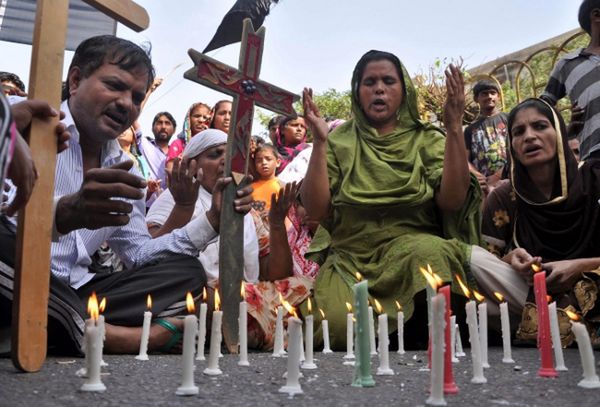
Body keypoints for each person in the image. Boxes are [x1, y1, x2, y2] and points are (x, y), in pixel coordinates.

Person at [0, 35, 253, 355]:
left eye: (136, 96)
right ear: (75, 80)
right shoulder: (19, 118)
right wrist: (62, 213)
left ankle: (37, 326)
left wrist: (213, 220)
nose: (126, 103)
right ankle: (106, 335)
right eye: (114, 85)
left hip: (75, 291)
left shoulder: (127, 173)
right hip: (13, 274)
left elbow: (140, 255)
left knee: (186, 274)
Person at [300, 50, 482, 350]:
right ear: (358, 91)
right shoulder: (338, 141)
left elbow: (453, 202)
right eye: (369, 82)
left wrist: (453, 127)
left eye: (388, 81)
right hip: (350, 258)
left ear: (404, 89)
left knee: (431, 256)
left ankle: (420, 344)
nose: (379, 89)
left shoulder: (427, 138)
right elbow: (317, 210)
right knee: (334, 327)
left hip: (412, 250)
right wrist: (319, 143)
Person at [482, 98, 600, 346]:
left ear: (558, 132)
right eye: (519, 132)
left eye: (540, 126)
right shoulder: (504, 196)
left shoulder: (594, 178)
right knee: (470, 260)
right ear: (511, 145)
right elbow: (487, 262)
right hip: (528, 290)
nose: (529, 137)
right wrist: (510, 260)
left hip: (593, 281)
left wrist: (578, 266)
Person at [146, 128, 259, 289]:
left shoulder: (243, 204)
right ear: (192, 165)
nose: (225, 160)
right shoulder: (174, 197)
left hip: (244, 298)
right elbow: (147, 255)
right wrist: (183, 208)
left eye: (230, 155)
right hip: (191, 298)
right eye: (215, 154)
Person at [541, 0, 600, 160]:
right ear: (596, 15)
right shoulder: (568, 64)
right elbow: (541, 108)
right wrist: (565, 131)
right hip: (595, 157)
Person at [464, 79, 508, 196]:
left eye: (493, 93)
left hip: (511, 178)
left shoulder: (510, 119)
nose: (489, 96)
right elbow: (465, 159)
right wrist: (476, 175)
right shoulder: (469, 130)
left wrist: (498, 175)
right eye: (484, 94)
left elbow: (518, 150)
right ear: (476, 99)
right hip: (484, 188)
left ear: (498, 96)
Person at [166, 102, 212, 173]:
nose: (201, 120)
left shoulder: (212, 146)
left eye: (205, 117)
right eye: (197, 116)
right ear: (188, 119)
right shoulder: (178, 144)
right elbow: (169, 172)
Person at [250, 144, 283, 219]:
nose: (264, 162)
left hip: (273, 228)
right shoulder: (250, 187)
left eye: (268, 159)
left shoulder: (282, 186)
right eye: (259, 160)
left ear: (278, 162)